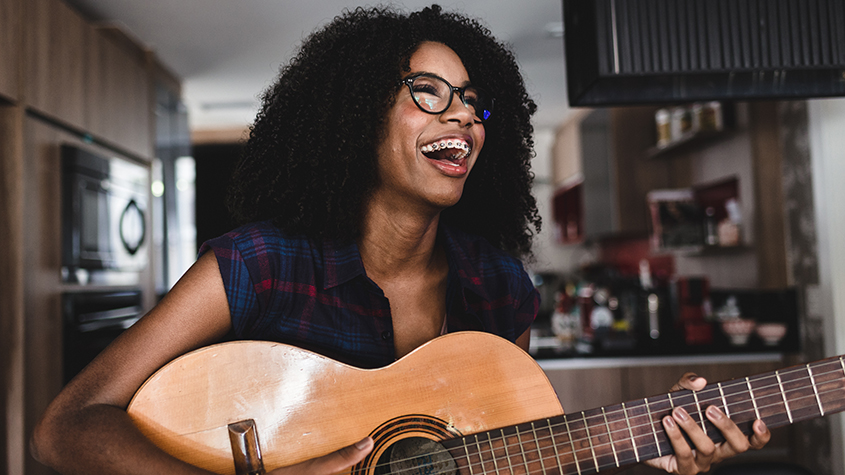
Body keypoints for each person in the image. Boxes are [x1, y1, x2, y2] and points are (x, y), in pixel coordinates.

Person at [30, 5, 769, 475]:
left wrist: (654, 444)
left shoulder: (499, 287)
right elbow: (64, 428)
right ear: (356, 118)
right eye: (429, 93)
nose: (462, 119)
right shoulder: (258, 263)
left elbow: (506, 452)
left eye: (476, 105)